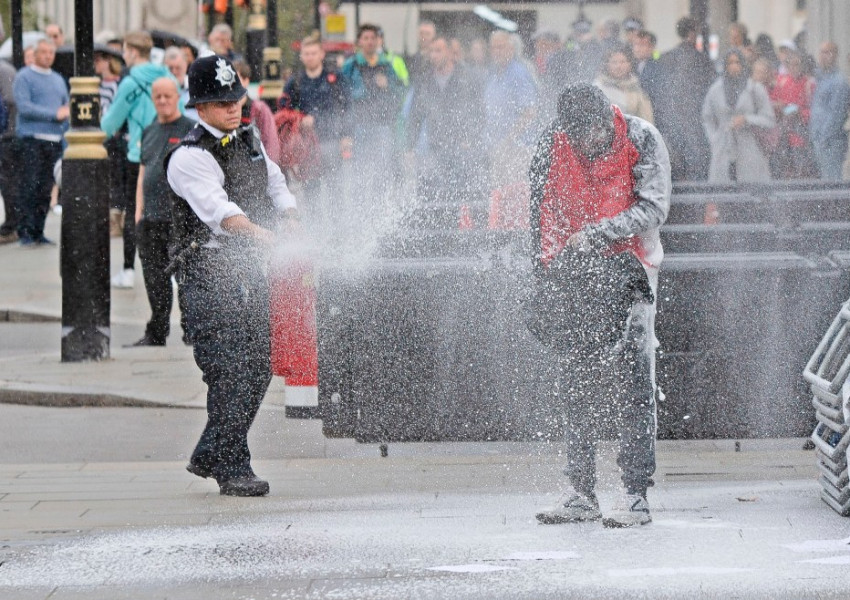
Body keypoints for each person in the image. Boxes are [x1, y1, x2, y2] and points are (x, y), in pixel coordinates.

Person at [530, 84, 670, 528]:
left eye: (593, 134)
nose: (586, 145)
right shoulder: (553, 142)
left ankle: (636, 495)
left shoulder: (641, 137)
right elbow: (541, 211)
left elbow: (654, 207)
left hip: (632, 267)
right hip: (576, 271)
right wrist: (546, 273)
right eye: (577, 137)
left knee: (633, 376)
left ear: (606, 119)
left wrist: (597, 233)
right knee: (575, 378)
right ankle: (582, 492)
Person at [166, 55, 297, 496]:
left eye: (236, 99)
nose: (233, 108)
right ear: (199, 108)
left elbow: (273, 180)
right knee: (227, 371)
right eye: (222, 103)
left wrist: (290, 215)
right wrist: (263, 234)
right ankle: (231, 466)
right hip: (207, 272)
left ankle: (210, 451)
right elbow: (219, 213)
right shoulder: (189, 157)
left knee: (258, 366)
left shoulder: (250, 137)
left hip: (248, 270)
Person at [101, 31, 174, 289]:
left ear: (132, 51)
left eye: (124, 50)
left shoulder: (130, 83)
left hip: (138, 153)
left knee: (135, 211)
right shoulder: (166, 76)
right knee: (170, 210)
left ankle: (129, 269)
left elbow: (110, 124)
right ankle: (172, 268)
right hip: (169, 151)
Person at [126, 78, 196, 348]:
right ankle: (157, 331)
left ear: (177, 96)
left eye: (168, 96)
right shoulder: (149, 131)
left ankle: (192, 331)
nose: (164, 101)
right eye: (158, 97)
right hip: (150, 218)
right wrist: (138, 211)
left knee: (186, 276)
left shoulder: (190, 129)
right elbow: (143, 171)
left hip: (179, 219)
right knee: (154, 278)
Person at [405, 36, 487, 211]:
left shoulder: (467, 77)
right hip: (436, 147)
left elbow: (480, 113)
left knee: (463, 198)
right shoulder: (424, 81)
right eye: (431, 51)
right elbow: (415, 117)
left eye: (438, 50)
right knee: (433, 198)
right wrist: (410, 147)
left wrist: (470, 139)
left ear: (450, 53)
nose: (433, 55)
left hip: (463, 148)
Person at [281, 35, 349, 215]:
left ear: (321, 54)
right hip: (307, 145)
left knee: (336, 188)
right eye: (306, 53)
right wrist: (299, 119)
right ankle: (314, 226)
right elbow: (283, 110)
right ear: (301, 56)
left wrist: (346, 135)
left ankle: (338, 228)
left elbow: (347, 107)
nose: (310, 57)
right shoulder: (295, 82)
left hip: (331, 140)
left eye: (313, 53)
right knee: (311, 190)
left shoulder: (335, 77)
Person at [12, 38, 69, 246]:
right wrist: (54, 114)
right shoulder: (24, 77)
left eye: (50, 53)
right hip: (32, 139)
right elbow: (25, 107)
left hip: (54, 140)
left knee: (46, 188)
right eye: (43, 52)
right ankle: (25, 232)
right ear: (34, 54)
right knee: (30, 186)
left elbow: (66, 106)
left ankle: (39, 230)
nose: (47, 56)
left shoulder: (58, 79)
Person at [341, 24, 405, 202]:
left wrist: (388, 86)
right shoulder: (350, 66)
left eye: (373, 38)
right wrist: (345, 132)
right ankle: (361, 210)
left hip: (382, 126)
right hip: (359, 127)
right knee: (360, 173)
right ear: (359, 41)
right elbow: (341, 97)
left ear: (378, 41)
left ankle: (379, 208)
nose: (369, 42)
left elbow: (399, 93)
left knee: (382, 173)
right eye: (366, 38)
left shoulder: (387, 65)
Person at [654, 16, 716, 181]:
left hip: (671, 119)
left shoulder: (666, 58)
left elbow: (659, 90)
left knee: (676, 164)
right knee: (696, 165)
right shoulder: (701, 59)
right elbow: (709, 90)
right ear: (693, 32)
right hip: (694, 119)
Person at [702, 49, 775, 183]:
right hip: (723, 147)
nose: (734, 66)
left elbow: (769, 119)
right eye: (730, 63)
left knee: (749, 192)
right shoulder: (715, 90)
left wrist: (747, 119)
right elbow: (707, 118)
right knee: (722, 192)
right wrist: (714, 138)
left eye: (737, 62)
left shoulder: (755, 89)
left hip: (749, 147)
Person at [484, 30, 537, 188]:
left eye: (500, 47)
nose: (496, 52)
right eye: (493, 48)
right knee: (498, 195)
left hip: (517, 149)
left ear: (511, 49)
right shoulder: (494, 74)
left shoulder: (518, 74)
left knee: (513, 196)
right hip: (498, 148)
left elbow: (529, 113)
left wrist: (507, 141)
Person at [771, 50, 817, 179]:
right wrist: (780, 107)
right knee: (784, 171)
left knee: (801, 172)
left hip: (801, 135)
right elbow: (773, 102)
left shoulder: (809, 84)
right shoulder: (782, 82)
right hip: (784, 135)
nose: (794, 68)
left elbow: (814, 110)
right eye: (791, 64)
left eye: (797, 64)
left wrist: (799, 112)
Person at [810, 42, 850, 180]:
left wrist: (823, 138)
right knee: (824, 179)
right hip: (819, 139)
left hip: (831, 142)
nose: (823, 57)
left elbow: (837, 115)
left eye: (828, 53)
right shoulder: (821, 79)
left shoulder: (839, 82)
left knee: (832, 180)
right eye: (821, 52)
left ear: (835, 55)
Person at [232, 60, 280, 165]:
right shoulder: (223, 110)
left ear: (246, 81)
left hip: (257, 165)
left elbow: (271, 142)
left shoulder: (259, 109)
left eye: (236, 79)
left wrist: (267, 169)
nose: (232, 84)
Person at [593, 44, 653, 123]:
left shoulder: (636, 88)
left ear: (630, 64)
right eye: (614, 62)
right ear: (607, 65)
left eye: (623, 62)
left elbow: (646, 119)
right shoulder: (598, 87)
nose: (618, 66)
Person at [0, 53, 19, 244]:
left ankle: (13, 225)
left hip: (7, 136)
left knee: (9, 182)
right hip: (7, 134)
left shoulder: (3, 69)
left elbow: (12, 101)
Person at [164, 45, 197, 121]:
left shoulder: (195, 87)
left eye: (178, 68)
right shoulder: (159, 90)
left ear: (185, 66)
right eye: (170, 68)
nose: (174, 72)